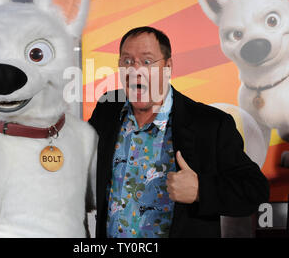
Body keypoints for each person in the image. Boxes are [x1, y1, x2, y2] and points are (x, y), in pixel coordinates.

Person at [88, 26, 269, 238]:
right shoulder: (107, 110)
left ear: (168, 67)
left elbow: (255, 190)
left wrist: (202, 190)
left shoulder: (210, 125)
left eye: (147, 61)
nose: (135, 70)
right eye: (127, 61)